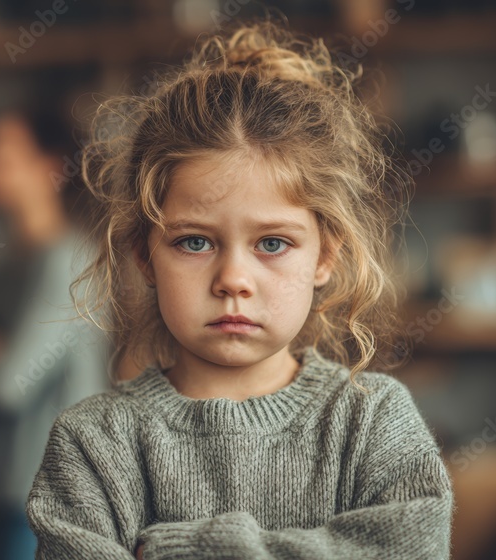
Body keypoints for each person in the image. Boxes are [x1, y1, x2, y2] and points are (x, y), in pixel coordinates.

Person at [25, 19, 455, 559]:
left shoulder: (373, 421)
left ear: (325, 256)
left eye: (272, 243)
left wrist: (187, 551)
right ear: (144, 257)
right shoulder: (93, 442)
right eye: (194, 242)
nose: (233, 279)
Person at [0, 111, 111, 559]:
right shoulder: (7, 266)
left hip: (48, 501)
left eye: (0, 155)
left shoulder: (69, 262)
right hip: (5, 492)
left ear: (50, 167)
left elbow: (6, 386)